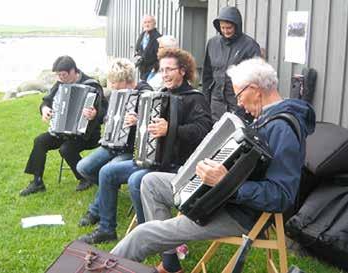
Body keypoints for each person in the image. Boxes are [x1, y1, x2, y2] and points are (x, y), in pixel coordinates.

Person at [110, 58, 316, 273]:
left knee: (142, 235)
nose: (239, 104)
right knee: (150, 181)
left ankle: (99, 268)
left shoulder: (283, 129)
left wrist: (226, 182)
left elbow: (281, 196)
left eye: (239, 95)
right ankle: (171, 264)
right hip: (221, 197)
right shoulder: (262, 116)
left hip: (239, 214)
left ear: (255, 90)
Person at [78, 48, 213, 244]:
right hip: (154, 160)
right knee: (107, 172)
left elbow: (203, 131)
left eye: (169, 69)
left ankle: (147, 235)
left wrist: (171, 129)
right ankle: (107, 229)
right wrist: (138, 120)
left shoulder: (195, 98)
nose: (164, 74)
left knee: (136, 181)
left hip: (178, 165)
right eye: (162, 70)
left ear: (183, 71)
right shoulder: (160, 95)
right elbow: (151, 127)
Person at [76, 58, 153, 226]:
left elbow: (155, 122)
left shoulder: (147, 93)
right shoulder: (116, 94)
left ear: (128, 80)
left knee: (107, 171)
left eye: (116, 84)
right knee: (83, 167)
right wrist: (96, 115)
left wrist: (139, 120)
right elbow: (107, 115)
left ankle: (95, 210)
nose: (112, 87)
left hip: (131, 148)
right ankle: (109, 190)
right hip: (111, 144)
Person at [20, 56, 107, 196]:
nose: (61, 78)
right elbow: (46, 101)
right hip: (63, 131)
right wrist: (44, 109)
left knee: (66, 148)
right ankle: (37, 182)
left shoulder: (92, 85)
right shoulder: (60, 83)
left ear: (73, 70)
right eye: (58, 75)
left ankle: (85, 177)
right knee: (40, 141)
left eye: (64, 75)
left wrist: (95, 114)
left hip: (88, 134)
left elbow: (104, 111)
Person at [202, 6, 261, 122]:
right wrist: (205, 101)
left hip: (239, 104)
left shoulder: (250, 46)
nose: (225, 31)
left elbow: (257, 78)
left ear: (236, 26)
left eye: (229, 27)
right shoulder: (212, 44)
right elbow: (207, 75)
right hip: (216, 103)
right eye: (222, 27)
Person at [134, 15, 162, 81]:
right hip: (142, 69)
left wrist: (155, 68)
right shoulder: (142, 35)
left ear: (154, 24)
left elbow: (160, 55)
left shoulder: (158, 37)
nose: (147, 24)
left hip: (152, 70)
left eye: (149, 22)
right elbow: (138, 49)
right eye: (145, 22)